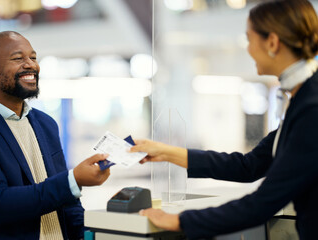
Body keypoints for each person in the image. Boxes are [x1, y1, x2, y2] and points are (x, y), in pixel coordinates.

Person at [131, 0, 318, 239]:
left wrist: (179, 220)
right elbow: (248, 166)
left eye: (249, 39)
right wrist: (166, 152)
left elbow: (262, 203)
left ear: (272, 42)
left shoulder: (311, 108)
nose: (248, 48)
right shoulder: (303, 100)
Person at [0, 31, 110, 240]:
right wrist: (72, 180)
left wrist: (83, 234)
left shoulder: (46, 124)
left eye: (33, 57)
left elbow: (68, 202)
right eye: (18, 58)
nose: (31, 65)